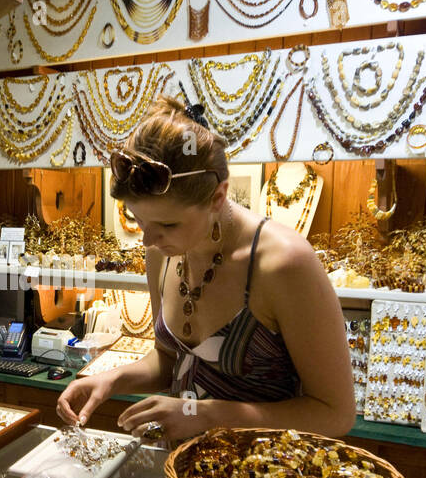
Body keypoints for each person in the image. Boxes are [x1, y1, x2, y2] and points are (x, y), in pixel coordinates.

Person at [57, 97, 356, 444]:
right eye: (139, 221)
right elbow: (169, 359)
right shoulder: (161, 252)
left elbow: (335, 413)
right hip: (186, 477)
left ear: (218, 197)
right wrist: (112, 379)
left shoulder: (283, 264)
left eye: (167, 224)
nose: (148, 239)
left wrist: (202, 415)